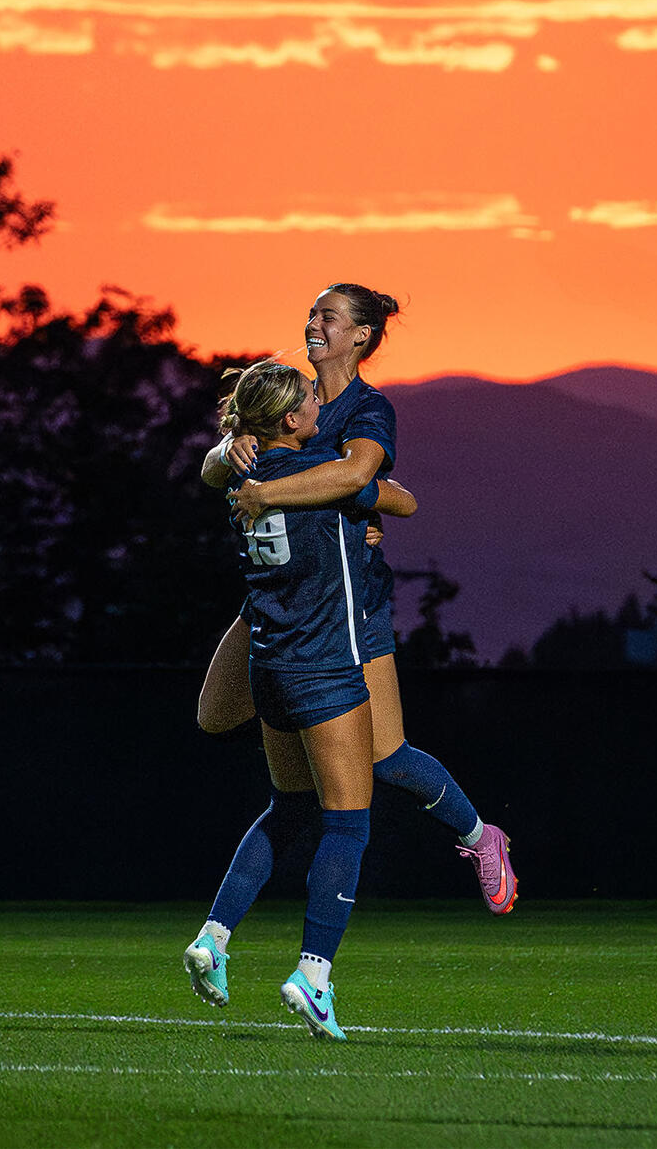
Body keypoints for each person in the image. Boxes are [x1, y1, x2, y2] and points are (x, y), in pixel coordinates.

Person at [198, 284, 516, 915]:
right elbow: (213, 468)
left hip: (349, 608)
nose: (313, 322)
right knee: (213, 715)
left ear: (361, 335)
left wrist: (275, 496)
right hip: (278, 601)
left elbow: (359, 478)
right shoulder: (290, 395)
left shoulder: (367, 409)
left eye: (329, 316)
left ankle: (482, 838)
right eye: (312, 312)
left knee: (387, 756)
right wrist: (225, 450)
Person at [183, 360, 413, 1041]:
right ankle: (314, 975)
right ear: (291, 420)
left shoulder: (243, 478)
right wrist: (364, 499)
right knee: (348, 823)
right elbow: (400, 499)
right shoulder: (319, 478)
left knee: (288, 808)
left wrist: (228, 454)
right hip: (322, 667)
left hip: (270, 668)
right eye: (310, 399)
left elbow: (215, 468)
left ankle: (214, 937)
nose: (319, 403)